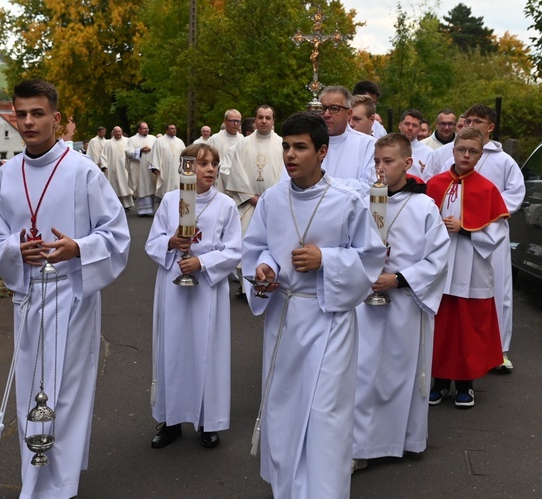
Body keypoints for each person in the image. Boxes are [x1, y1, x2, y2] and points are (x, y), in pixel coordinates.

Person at [0, 78, 130, 498]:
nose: (28, 122)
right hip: (29, 298)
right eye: (21, 113)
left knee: (65, 395)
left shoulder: (82, 170)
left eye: (38, 113)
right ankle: (35, 481)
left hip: (72, 297)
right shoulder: (6, 176)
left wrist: (78, 247)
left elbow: (117, 233)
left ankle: (61, 486)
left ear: (56, 118)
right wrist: (16, 248)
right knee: (32, 392)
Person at [242, 112, 385, 499]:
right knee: (285, 412)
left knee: (325, 417)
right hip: (285, 319)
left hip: (330, 321)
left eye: (300, 147)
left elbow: (371, 258)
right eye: (286, 146)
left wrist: (328, 260)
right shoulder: (272, 199)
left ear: (322, 152)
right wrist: (265, 270)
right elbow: (256, 248)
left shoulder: (347, 200)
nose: (290, 154)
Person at [351, 134, 450, 472]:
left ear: (407, 164)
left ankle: (404, 439)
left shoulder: (423, 206)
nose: (380, 168)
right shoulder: (364, 202)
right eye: (376, 161)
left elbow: (438, 256)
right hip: (367, 303)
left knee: (400, 374)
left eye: (388, 161)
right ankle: (360, 447)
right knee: (364, 373)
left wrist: (399, 279)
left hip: (406, 304)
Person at [145, 143, 241, 450]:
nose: (210, 169)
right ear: (186, 168)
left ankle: (208, 421)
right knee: (172, 350)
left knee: (207, 351)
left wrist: (203, 262)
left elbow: (235, 250)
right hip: (173, 286)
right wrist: (172, 242)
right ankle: (170, 419)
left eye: (213, 163)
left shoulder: (225, 205)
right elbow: (153, 242)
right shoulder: (171, 201)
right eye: (202, 164)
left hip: (207, 289)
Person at [425, 105, 525, 369]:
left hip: (480, 245)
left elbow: (510, 199)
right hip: (445, 251)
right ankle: (439, 369)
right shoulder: (442, 169)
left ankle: (489, 357)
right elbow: (427, 201)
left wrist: (471, 221)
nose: (466, 154)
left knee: (482, 305)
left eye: (477, 121)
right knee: (443, 310)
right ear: (455, 150)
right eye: (467, 120)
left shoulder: (502, 164)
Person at [425, 127, 509, 408]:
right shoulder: (435, 185)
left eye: (473, 151)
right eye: (462, 150)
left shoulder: (487, 189)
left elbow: (497, 232)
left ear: (480, 155)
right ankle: (438, 383)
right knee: (441, 327)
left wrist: (465, 229)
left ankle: (465, 385)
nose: (466, 155)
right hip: (440, 265)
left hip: (471, 267)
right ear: (453, 151)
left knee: (466, 330)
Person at [226, 105, 283, 296]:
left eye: (268, 118)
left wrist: (269, 199)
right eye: (260, 117)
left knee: (272, 244)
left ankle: (269, 282)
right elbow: (235, 173)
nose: (264, 121)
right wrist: (251, 198)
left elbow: (285, 174)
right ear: (255, 120)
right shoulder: (243, 144)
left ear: (273, 120)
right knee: (247, 243)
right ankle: (245, 287)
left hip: (274, 206)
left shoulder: (282, 144)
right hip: (249, 204)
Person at [318, 85, 376, 193]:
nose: (326, 114)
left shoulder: (367, 144)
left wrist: (320, 183)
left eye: (334, 109)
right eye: (323, 108)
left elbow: (368, 187)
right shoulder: (307, 142)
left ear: (349, 114)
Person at [125, 122, 157, 216]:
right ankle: (142, 211)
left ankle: (150, 209)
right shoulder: (132, 139)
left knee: (150, 187)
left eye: (147, 128)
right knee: (141, 187)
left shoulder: (153, 138)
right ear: (139, 130)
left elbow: (157, 149)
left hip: (150, 167)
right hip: (139, 168)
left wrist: (151, 149)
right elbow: (128, 151)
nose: (146, 130)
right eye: (144, 128)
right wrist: (140, 150)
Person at [207, 109, 243, 191]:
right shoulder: (214, 139)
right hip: (219, 179)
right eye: (232, 121)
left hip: (238, 180)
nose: (235, 124)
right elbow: (210, 160)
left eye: (238, 121)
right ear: (225, 121)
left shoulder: (242, 139)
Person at [149, 123, 186, 200]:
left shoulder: (180, 141)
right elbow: (155, 154)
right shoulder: (159, 141)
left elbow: (184, 155)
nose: (174, 130)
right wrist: (154, 168)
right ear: (166, 130)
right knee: (165, 189)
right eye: (171, 128)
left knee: (177, 187)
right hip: (165, 169)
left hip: (177, 169)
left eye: (175, 128)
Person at [100, 126, 133, 210]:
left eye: (119, 131)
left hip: (126, 167)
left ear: (121, 132)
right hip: (113, 168)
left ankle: (127, 204)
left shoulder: (127, 140)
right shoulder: (108, 143)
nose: (118, 133)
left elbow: (132, 152)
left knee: (126, 186)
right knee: (116, 186)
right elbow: (103, 155)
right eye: (116, 132)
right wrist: (104, 166)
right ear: (113, 133)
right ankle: (118, 204)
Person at [398, 109, 434, 179]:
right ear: (400, 125)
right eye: (407, 124)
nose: (410, 128)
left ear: (420, 129)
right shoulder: (388, 148)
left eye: (414, 125)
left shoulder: (428, 153)